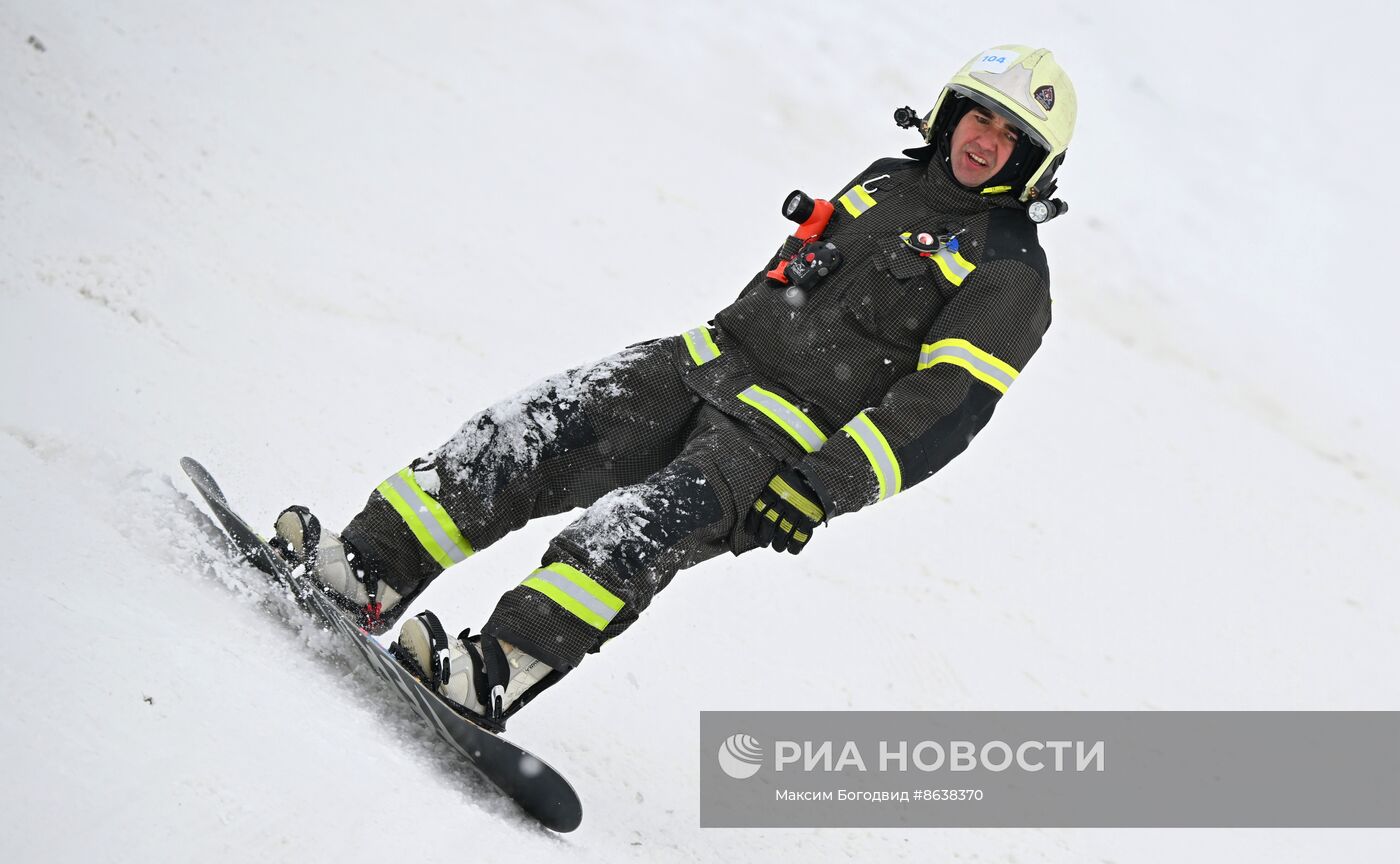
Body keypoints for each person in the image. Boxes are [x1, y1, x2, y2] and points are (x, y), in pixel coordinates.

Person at [270, 45, 1078, 731]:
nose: (986, 142)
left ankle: (493, 671)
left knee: (622, 537)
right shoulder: (887, 180)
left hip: (774, 443)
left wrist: (822, 487)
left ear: (1035, 163)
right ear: (949, 112)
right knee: (525, 433)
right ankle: (368, 570)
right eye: (980, 116)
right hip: (699, 361)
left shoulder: (1009, 272)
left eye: (1012, 138)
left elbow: (944, 410)